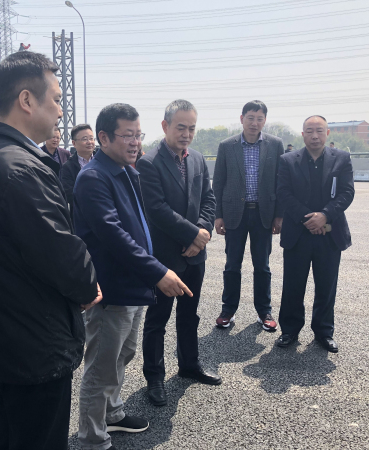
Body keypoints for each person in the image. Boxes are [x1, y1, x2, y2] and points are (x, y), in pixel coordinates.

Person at [0, 51, 100, 450]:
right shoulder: (19, 167)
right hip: (35, 339)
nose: (60, 110)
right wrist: (88, 284)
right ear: (26, 100)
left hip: (12, 334)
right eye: (55, 99)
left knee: (14, 435)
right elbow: (61, 253)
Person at [74, 103, 192, 450]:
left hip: (134, 283)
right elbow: (113, 235)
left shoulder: (126, 171)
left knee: (122, 355)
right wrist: (157, 272)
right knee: (102, 365)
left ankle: (112, 413)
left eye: (138, 135)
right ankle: (92, 437)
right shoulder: (94, 177)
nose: (136, 142)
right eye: (128, 135)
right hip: (113, 287)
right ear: (104, 137)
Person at [137, 100, 221, 407]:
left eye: (191, 128)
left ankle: (188, 364)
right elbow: (157, 210)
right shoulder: (148, 162)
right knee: (157, 319)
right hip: (165, 257)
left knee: (190, 314)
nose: (186, 134)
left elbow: (209, 199)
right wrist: (193, 235)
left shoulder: (197, 158)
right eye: (180, 127)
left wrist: (202, 232)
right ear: (165, 126)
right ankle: (154, 377)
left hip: (195, 255)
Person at [276, 116, 354, 353]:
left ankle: (324, 332)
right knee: (293, 285)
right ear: (302, 135)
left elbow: (347, 192)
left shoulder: (341, 159)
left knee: (326, 286)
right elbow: (283, 193)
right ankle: (290, 330)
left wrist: (325, 215)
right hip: (298, 234)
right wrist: (309, 219)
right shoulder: (288, 160)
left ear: (327, 133)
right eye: (309, 131)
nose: (314, 136)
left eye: (319, 131)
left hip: (330, 234)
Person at [213, 100, 284, 332]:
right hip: (235, 213)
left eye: (259, 118)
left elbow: (281, 182)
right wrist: (218, 215)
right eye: (250, 118)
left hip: (264, 214)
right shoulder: (227, 146)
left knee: (262, 266)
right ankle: (228, 310)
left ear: (265, 121)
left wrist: (279, 215)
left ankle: (264, 311)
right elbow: (219, 182)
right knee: (232, 265)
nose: (255, 123)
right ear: (242, 119)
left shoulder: (275, 144)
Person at [60, 123, 96, 219]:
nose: (89, 142)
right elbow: (70, 195)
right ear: (74, 143)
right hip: (80, 216)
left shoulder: (103, 161)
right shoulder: (67, 167)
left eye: (91, 138)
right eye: (85, 139)